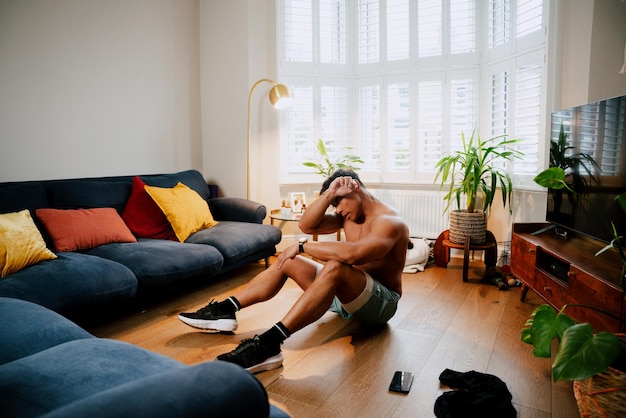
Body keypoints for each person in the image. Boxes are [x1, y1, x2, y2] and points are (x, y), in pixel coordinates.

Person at [178, 169, 410, 373]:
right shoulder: (347, 216)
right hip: (346, 298)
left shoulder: (390, 222)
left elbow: (353, 255)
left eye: (338, 203)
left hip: (380, 305)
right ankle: (227, 309)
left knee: (336, 266)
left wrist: (301, 246)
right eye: (333, 205)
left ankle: (270, 343)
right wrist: (330, 194)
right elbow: (306, 225)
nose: (337, 211)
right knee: (287, 261)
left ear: (355, 188)